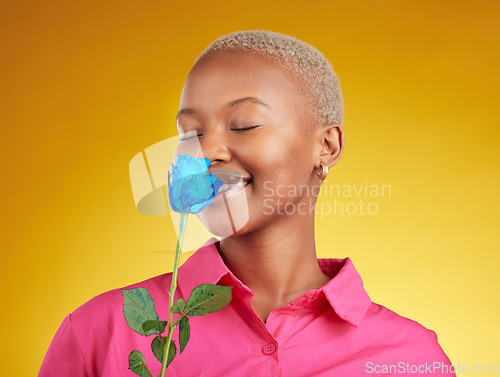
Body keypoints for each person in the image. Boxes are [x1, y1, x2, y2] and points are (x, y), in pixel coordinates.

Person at [39, 30, 456, 376]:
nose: (206, 152)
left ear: (326, 146)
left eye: (244, 125)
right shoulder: (99, 334)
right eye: (190, 133)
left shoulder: (412, 359)